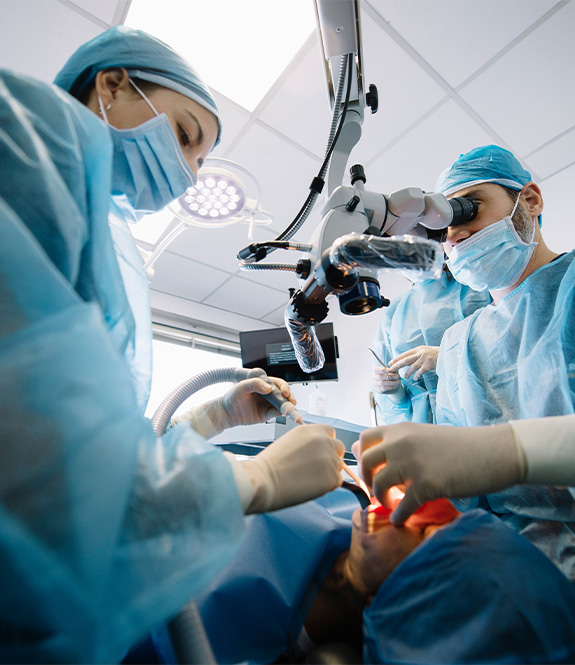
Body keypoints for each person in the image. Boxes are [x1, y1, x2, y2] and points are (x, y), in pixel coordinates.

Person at [0, 26, 345, 663]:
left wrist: (218, 417)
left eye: (202, 159)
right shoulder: (32, 139)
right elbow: (34, 452)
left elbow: (91, 432)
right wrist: (256, 480)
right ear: (111, 83)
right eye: (186, 136)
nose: (188, 171)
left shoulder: (108, 229)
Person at [356, 145, 575, 580]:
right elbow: (466, 498)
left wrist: (510, 454)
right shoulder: (459, 343)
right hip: (510, 576)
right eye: (443, 226)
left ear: (528, 201)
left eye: (467, 209)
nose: (453, 235)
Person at [172, 489, 575, 665]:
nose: (418, 512)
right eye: (448, 516)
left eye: (431, 533)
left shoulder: (214, 637)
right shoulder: (334, 502)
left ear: (404, 596)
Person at [371, 265, 490, 424]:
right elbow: (399, 410)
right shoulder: (394, 313)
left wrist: (445, 357)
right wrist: (395, 393)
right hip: (425, 434)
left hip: (483, 422)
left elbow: (504, 358)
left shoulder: (477, 290)